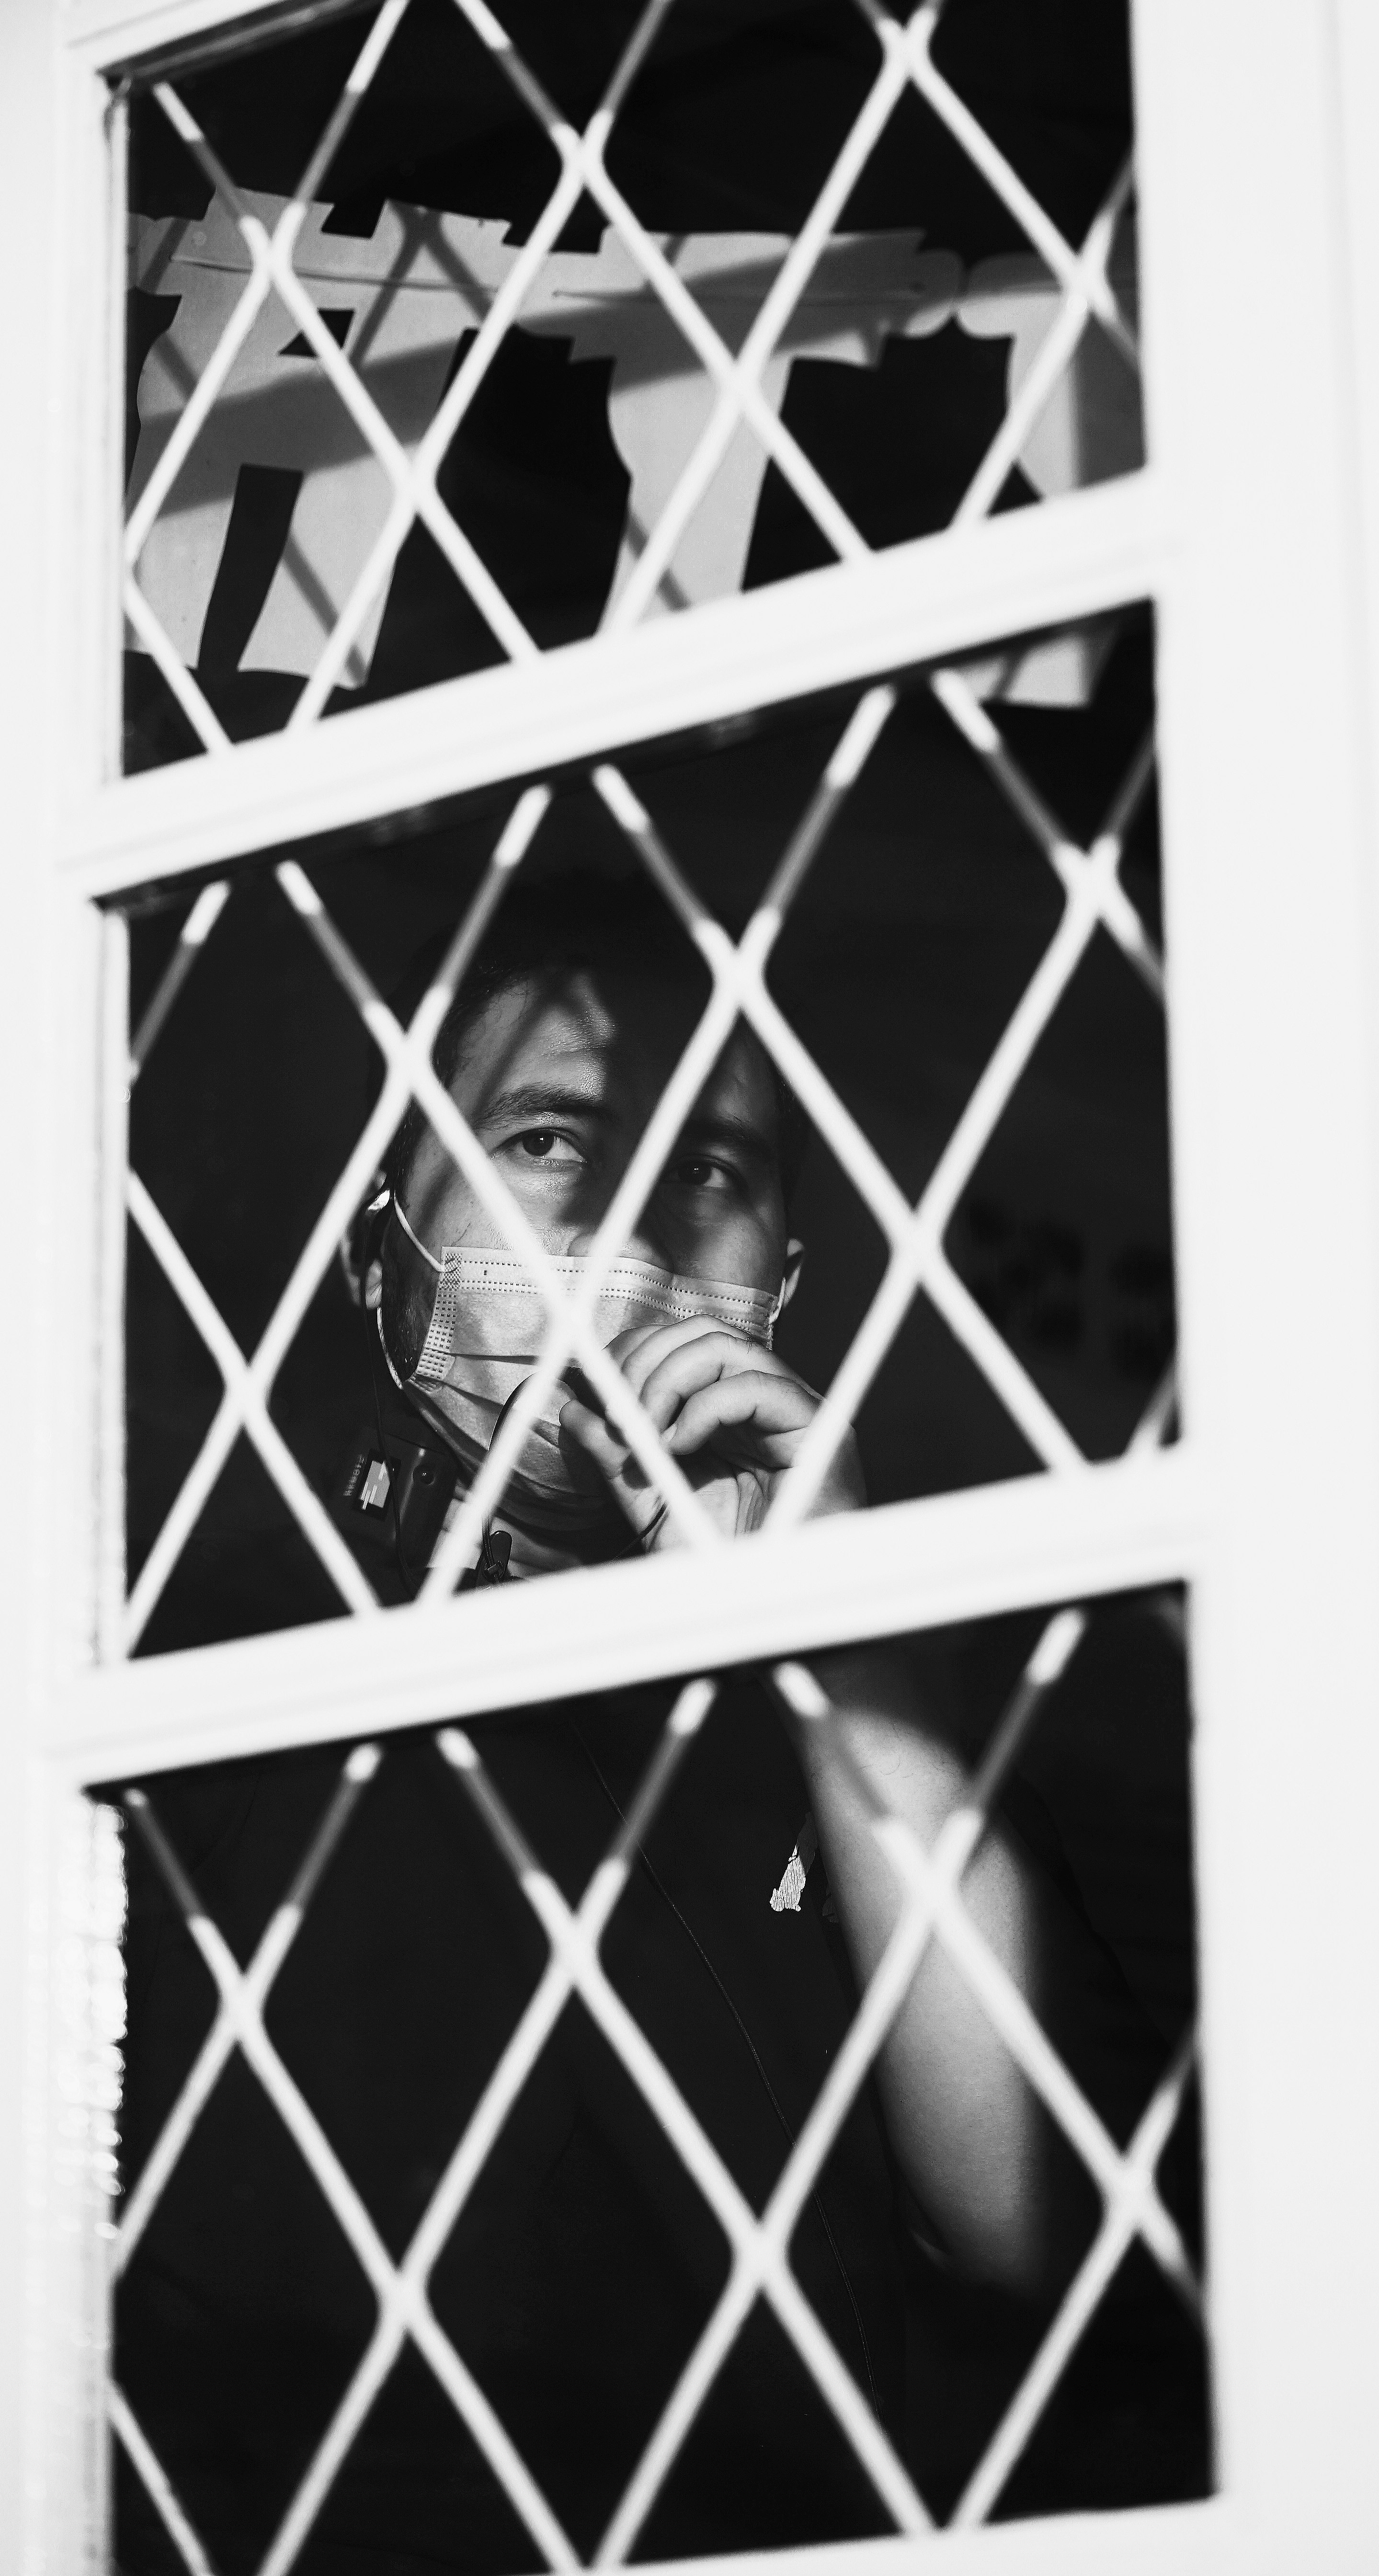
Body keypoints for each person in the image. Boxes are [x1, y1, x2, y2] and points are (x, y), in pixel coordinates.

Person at [345, 872, 1116, 2308]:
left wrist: (842, 1651)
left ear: (787, 1279)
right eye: (551, 1137)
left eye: (709, 1171)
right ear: (377, 1261)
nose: (635, 1231)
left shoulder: (918, 1719)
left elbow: (1025, 2227)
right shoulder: (199, 1658)